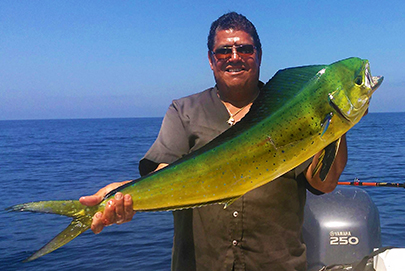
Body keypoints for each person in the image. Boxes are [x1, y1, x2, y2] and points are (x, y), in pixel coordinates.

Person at [80, 12, 347, 270]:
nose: (234, 57)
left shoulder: (290, 112)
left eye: (245, 49)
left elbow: (323, 183)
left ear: (259, 55)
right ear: (210, 59)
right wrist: (123, 194)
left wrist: (339, 122)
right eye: (223, 51)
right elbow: (166, 174)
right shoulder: (184, 111)